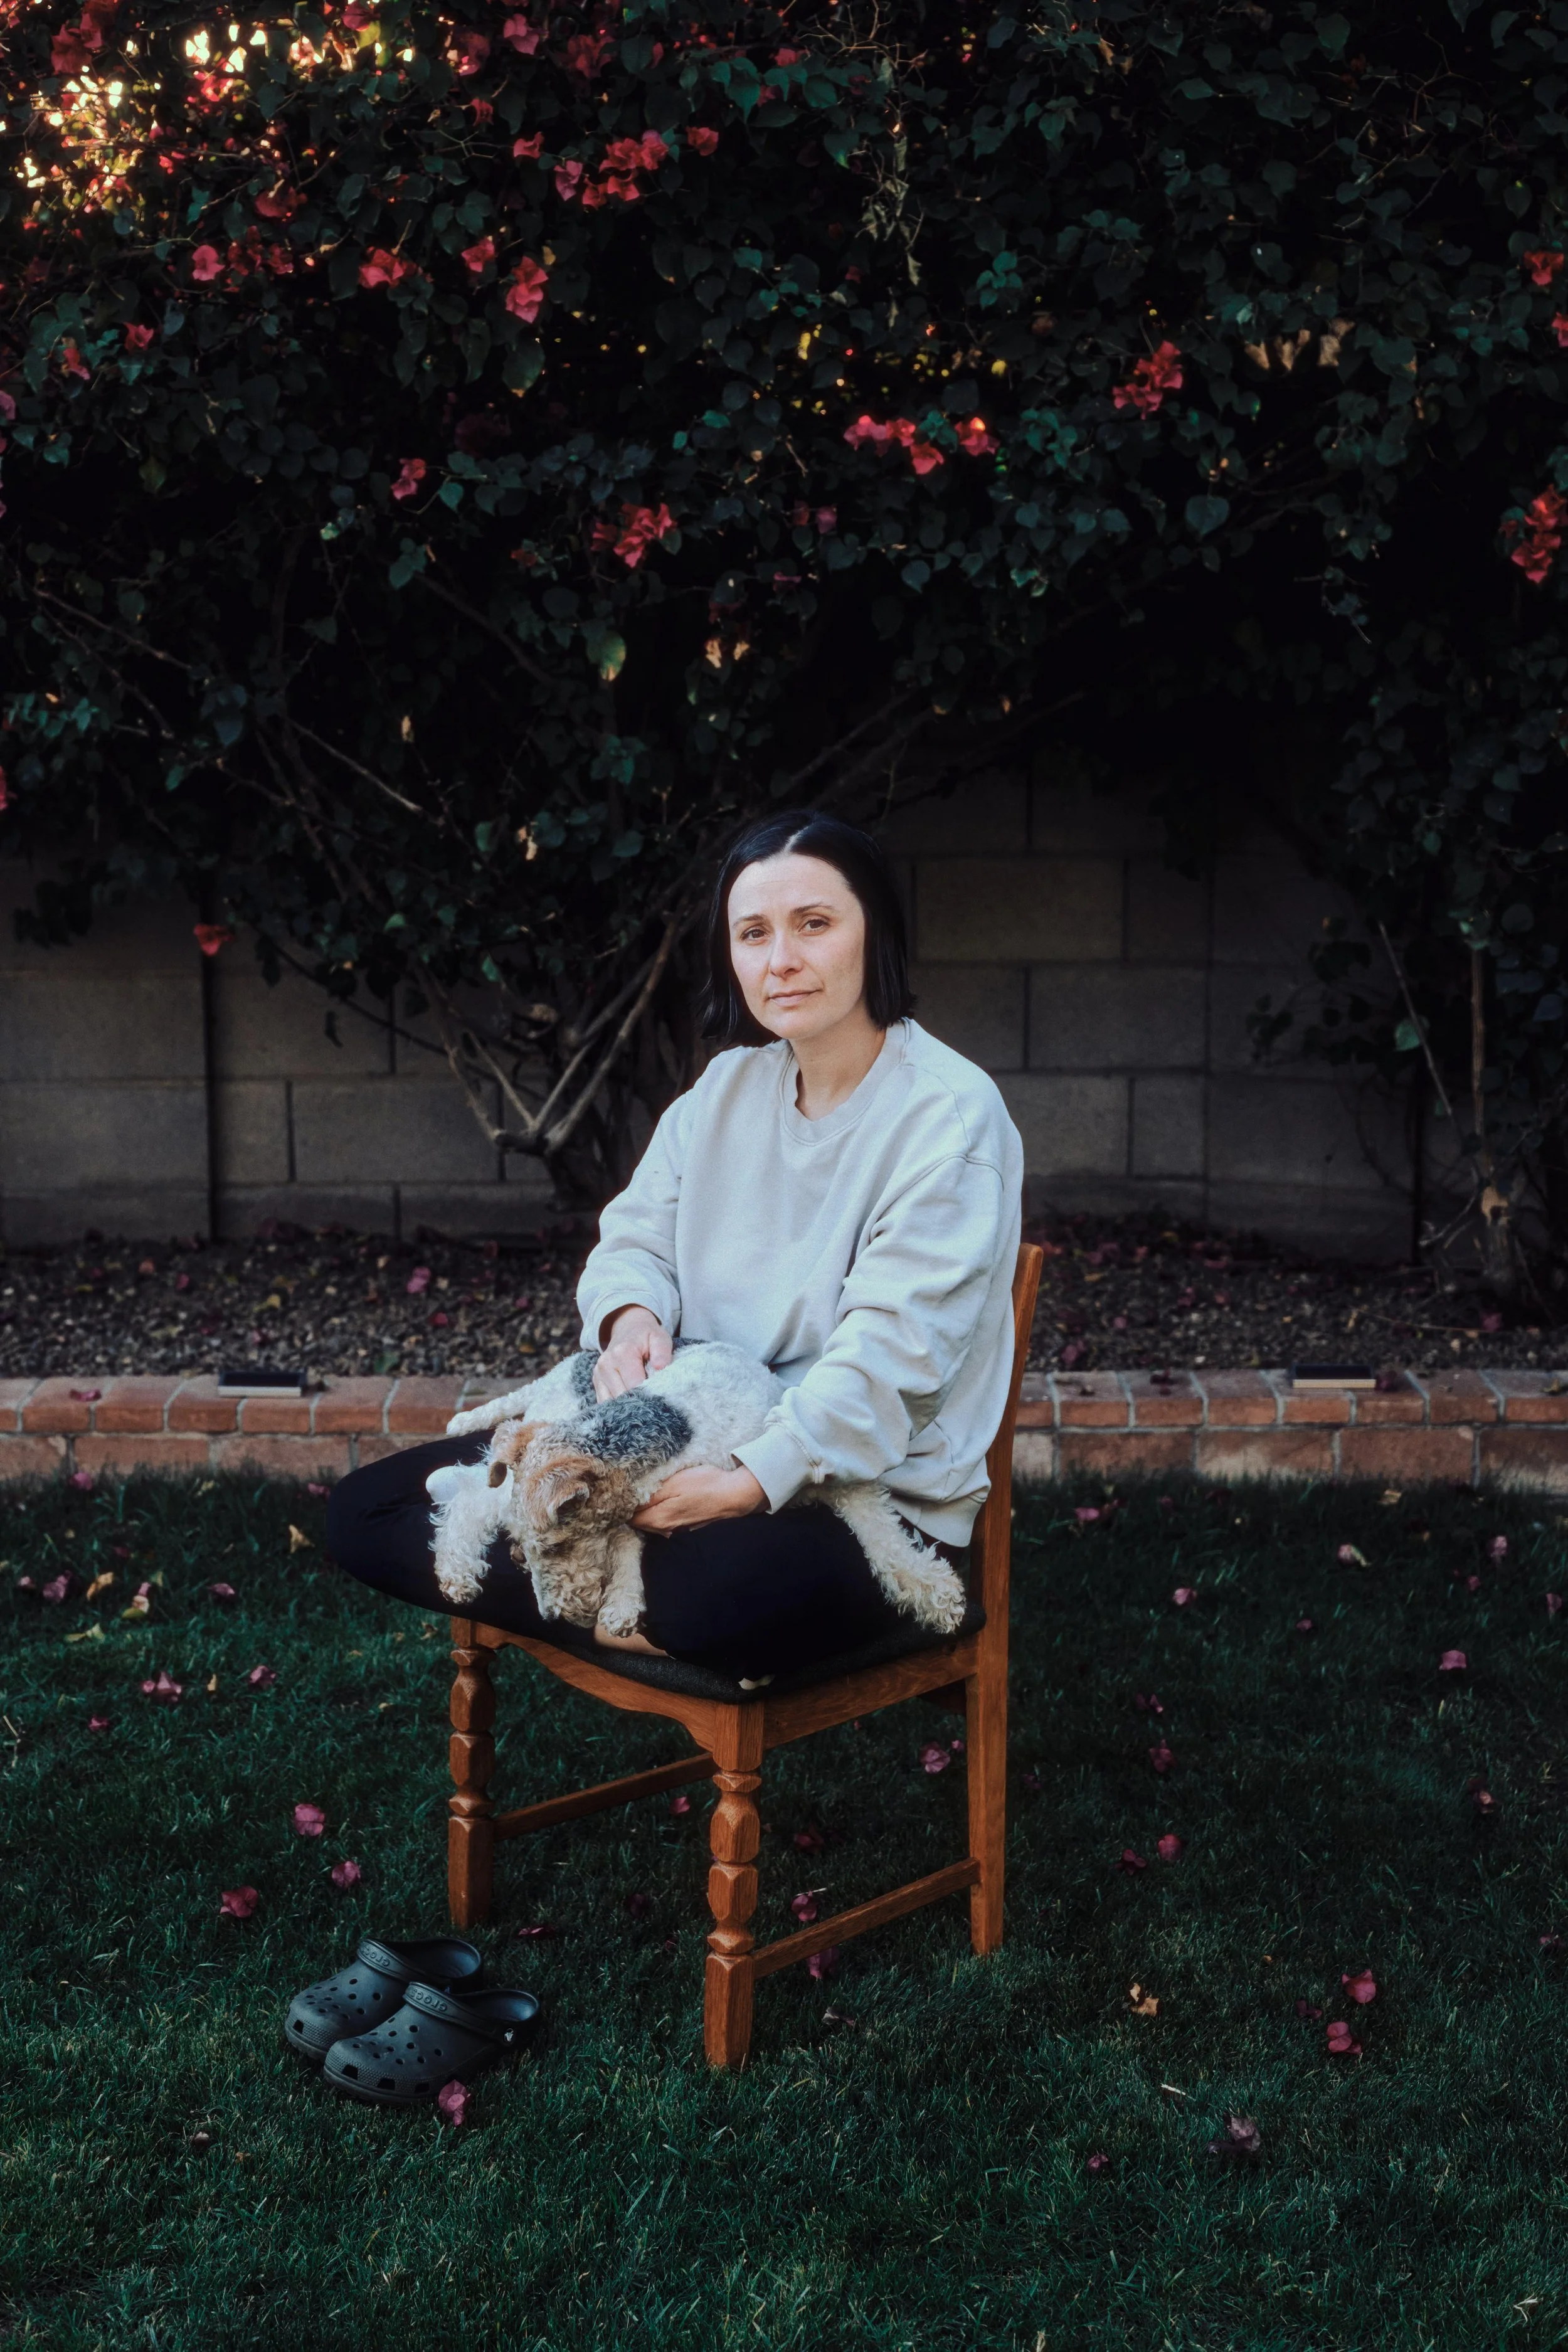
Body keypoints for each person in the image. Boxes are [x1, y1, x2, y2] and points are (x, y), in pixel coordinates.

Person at [327, 809, 1024, 1683]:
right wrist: (630, 1319)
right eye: (754, 932)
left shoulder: (947, 1118)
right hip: (674, 1434)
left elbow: (895, 1362)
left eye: (815, 923)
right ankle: (607, 1592)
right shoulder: (729, 1085)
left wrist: (745, 1482)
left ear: (874, 930)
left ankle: (585, 1576)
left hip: (855, 1488)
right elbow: (635, 1235)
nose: (782, 960)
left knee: (715, 1595)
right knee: (364, 1508)